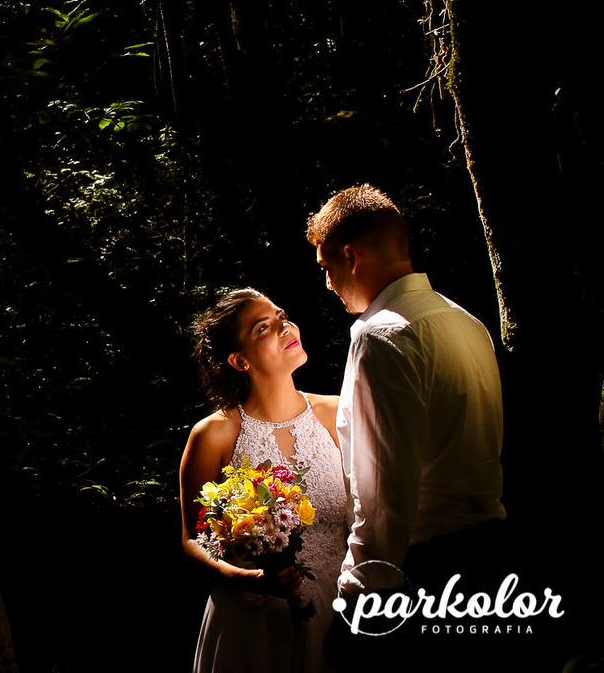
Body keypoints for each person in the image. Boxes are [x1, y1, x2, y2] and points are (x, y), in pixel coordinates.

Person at [305, 184, 506, 602]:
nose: (327, 284)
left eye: (326, 267)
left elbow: (382, 488)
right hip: (491, 551)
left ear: (350, 255)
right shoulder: (465, 321)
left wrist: (362, 583)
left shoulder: (379, 337)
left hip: (426, 567)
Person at [180, 288, 346, 673]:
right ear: (239, 360)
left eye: (282, 315)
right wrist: (249, 578)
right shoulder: (213, 436)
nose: (284, 326)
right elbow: (192, 539)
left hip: (340, 608)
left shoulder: (338, 413)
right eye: (263, 328)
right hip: (253, 619)